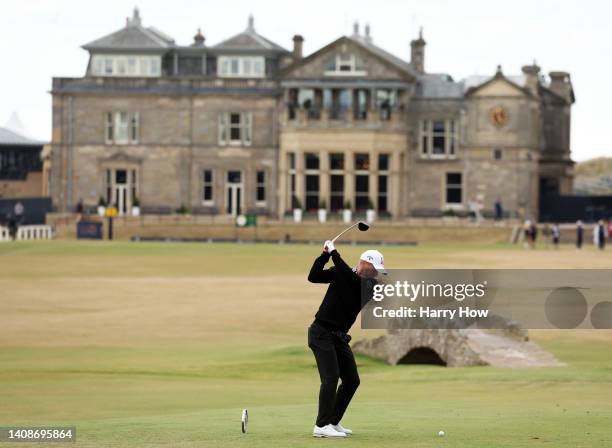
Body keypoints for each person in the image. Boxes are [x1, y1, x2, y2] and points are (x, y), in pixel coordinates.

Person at [307, 241, 382, 438]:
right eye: (374, 268)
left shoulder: (371, 285)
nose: (376, 273)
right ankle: (321, 426)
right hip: (321, 333)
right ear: (365, 263)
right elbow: (313, 276)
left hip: (339, 337)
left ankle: (332, 421)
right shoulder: (342, 272)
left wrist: (335, 254)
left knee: (351, 380)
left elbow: (351, 280)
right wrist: (325, 255)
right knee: (330, 378)